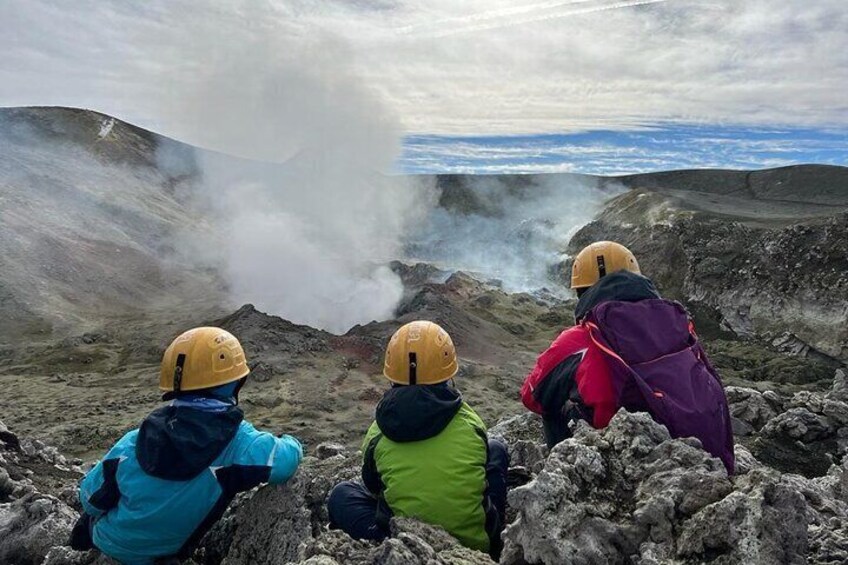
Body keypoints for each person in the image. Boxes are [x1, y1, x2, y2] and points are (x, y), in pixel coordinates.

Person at [70, 327, 303, 564]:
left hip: (110, 543)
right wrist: (291, 440)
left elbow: (89, 497)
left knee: (90, 520)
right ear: (236, 383)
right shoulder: (241, 445)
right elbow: (287, 460)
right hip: (165, 553)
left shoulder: (133, 441)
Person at [521, 241, 735, 473]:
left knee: (552, 404)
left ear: (582, 291)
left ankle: (561, 474)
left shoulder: (581, 338)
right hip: (709, 453)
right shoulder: (677, 322)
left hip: (627, 454)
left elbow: (532, 397)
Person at [327, 320, 509, 559]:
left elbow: (372, 485)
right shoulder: (470, 422)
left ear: (392, 374)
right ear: (448, 373)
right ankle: (498, 543)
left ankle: (380, 547)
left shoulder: (378, 432)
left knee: (341, 495)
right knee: (495, 448)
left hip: (405, 545)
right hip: (477, 546)